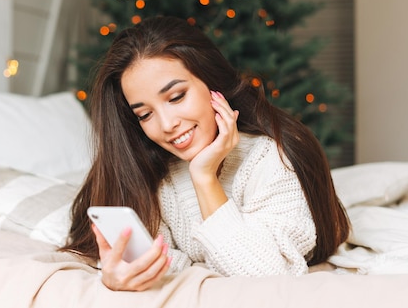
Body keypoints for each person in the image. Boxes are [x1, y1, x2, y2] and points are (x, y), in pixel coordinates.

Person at [61, 16, 350, 291]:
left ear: (212, 84)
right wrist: (115, 276)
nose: (167, 125)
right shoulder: (151, 168)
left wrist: (204, 178)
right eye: (145, 114)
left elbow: (266, 278)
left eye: (176, 97)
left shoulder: (270, 156)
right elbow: (157, 261)